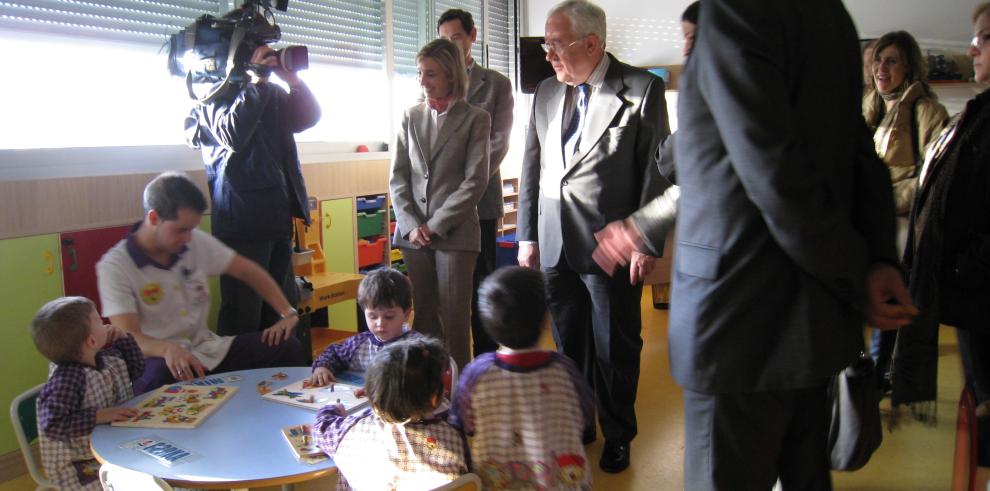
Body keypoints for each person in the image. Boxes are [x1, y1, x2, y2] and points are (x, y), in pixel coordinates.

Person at [672, 0, 917, 488]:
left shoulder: (733, 13)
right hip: (817, 316)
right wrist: (875, 259)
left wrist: (859, 271)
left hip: (738, 320)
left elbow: (772, 171)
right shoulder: (831, 16)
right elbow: (857, 148)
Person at [516, 0, 669, 472]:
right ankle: (581, 420)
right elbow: (533, 165)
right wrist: (526, 235)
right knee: (568, 343)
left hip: (611, 246)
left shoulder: (642, 90)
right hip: (554, 239)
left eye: (556, 44)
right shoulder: (544, 91)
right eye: (546, 43)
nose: (548, 54)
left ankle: (619, 432)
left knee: (615, 346)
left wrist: (646, 241)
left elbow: (657, 172)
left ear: (592, 43)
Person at [96, 172, 306, 394]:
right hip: (157, 359)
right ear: (154, 218)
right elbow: (128, 336)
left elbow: (249, 271)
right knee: (155, 381)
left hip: (209, 350)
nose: (188, 238)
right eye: (181, 229)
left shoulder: (192, 241)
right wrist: (167, 349)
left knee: (287, 347)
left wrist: (287, 312)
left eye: (192, 228)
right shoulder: (115, 266)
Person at [184, 5, 321, 337]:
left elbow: (307, 118)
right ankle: (239, 378)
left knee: (282, 309)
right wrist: (258, 81)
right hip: (242, 223)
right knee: (244, 314)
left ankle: (284, 379)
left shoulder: (265, 91)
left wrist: (294, 82)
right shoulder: (210, 94)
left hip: (275, 216)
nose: (268, 58)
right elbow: (233, 134)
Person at [894, 1, 990, 431]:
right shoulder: (978, 113)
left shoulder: (935, 112)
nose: (972, 50)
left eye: (984, 39)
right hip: (971, 298)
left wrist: (959, 267)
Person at [389, 38, 491, 368]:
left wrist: (434, 225)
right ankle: (426, 392)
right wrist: (410, 224)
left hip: (455, 234)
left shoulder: (476, 118)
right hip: (413, 235)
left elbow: (474, 182)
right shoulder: (409, 116)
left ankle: (460, 398)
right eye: (420, 73)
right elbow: (398, 177)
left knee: (455, 320)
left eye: (430, 74)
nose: (422, 81)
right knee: (423, 321)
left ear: (451, 74)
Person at [450, 266, 595, 490]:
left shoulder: (476, 374)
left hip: (500, 479)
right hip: (562, 481)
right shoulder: (565, 370)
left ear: (488, 324)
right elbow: (584, 415)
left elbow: (465, 423)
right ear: (545, 321)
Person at [862, 30, 948, 393]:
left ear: (909, 66)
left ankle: (881, 376)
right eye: (879, 59)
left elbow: (932, 178)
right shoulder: (870, 106)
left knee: (889, 297)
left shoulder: (927, 110)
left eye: (892, 60)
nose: (882, 68)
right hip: (867, 218)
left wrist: (883, 199)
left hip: (900, 224)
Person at [436, 8, 514, 357]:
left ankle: (485, 361)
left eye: (456, 38)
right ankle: (450, 367)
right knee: (446, 289)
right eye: (443, 40)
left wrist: (466, 184)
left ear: (472, 37)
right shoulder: (433, 82)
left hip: (480, 201)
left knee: (481, 284)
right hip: (439, 203)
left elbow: (498, 143)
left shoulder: (496, 84)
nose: (450, 46)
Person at [313, 336, 468, 490]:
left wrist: (333, 408)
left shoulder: (352, 430)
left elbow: (320, 428)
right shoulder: (454, 436)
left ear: (372, 396)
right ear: (436, 398)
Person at [31, 297, 144, 490]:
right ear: (91, 341)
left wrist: (124, 340)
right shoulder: (67, 379)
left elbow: (135, 369)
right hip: (81, 462)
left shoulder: (101, 357)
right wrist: (100, 415)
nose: (105, 323)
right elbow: (53, 425)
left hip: (112, 442)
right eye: (99, 320)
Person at [308, 268, 423, 386]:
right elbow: (334, 353)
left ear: (406, 314)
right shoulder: (360, 343)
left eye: (389, 317)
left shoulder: (417, 345)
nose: (380, 323)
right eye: (373, 316)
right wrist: (322, 367)